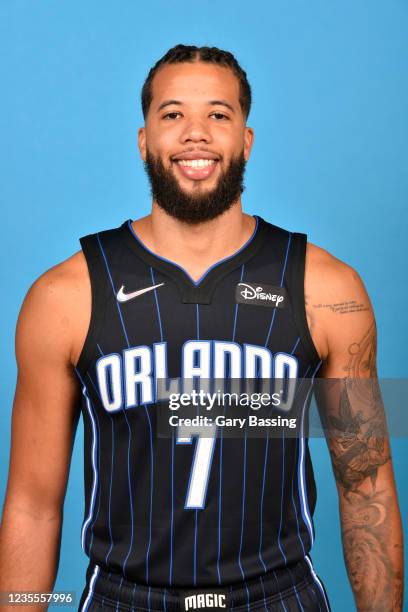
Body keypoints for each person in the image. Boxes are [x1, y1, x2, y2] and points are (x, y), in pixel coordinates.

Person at [0, 44, 403, 612]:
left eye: (219, 114)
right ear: (144, 139)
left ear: (246, 139)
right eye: (172, 115)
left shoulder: (328, 290)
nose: (196, 133)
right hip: (124, 599)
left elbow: (367, 491)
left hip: (277, 597)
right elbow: (33, 505)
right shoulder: (64, 296)